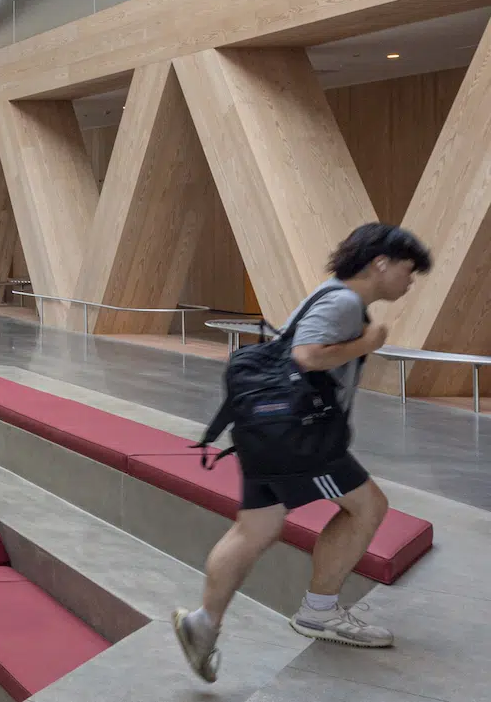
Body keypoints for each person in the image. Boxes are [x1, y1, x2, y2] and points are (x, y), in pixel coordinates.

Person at [172, 223, 433, 681]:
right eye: (408, 271)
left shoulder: (327, 293)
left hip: (265, 430)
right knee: (367, 507)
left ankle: (203, 623)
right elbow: (307, 356)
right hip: (301, 433)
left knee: (256, 527)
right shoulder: (343, 302)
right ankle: (320, 610)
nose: (410, 282)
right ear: (381, 263)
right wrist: (367, 343)